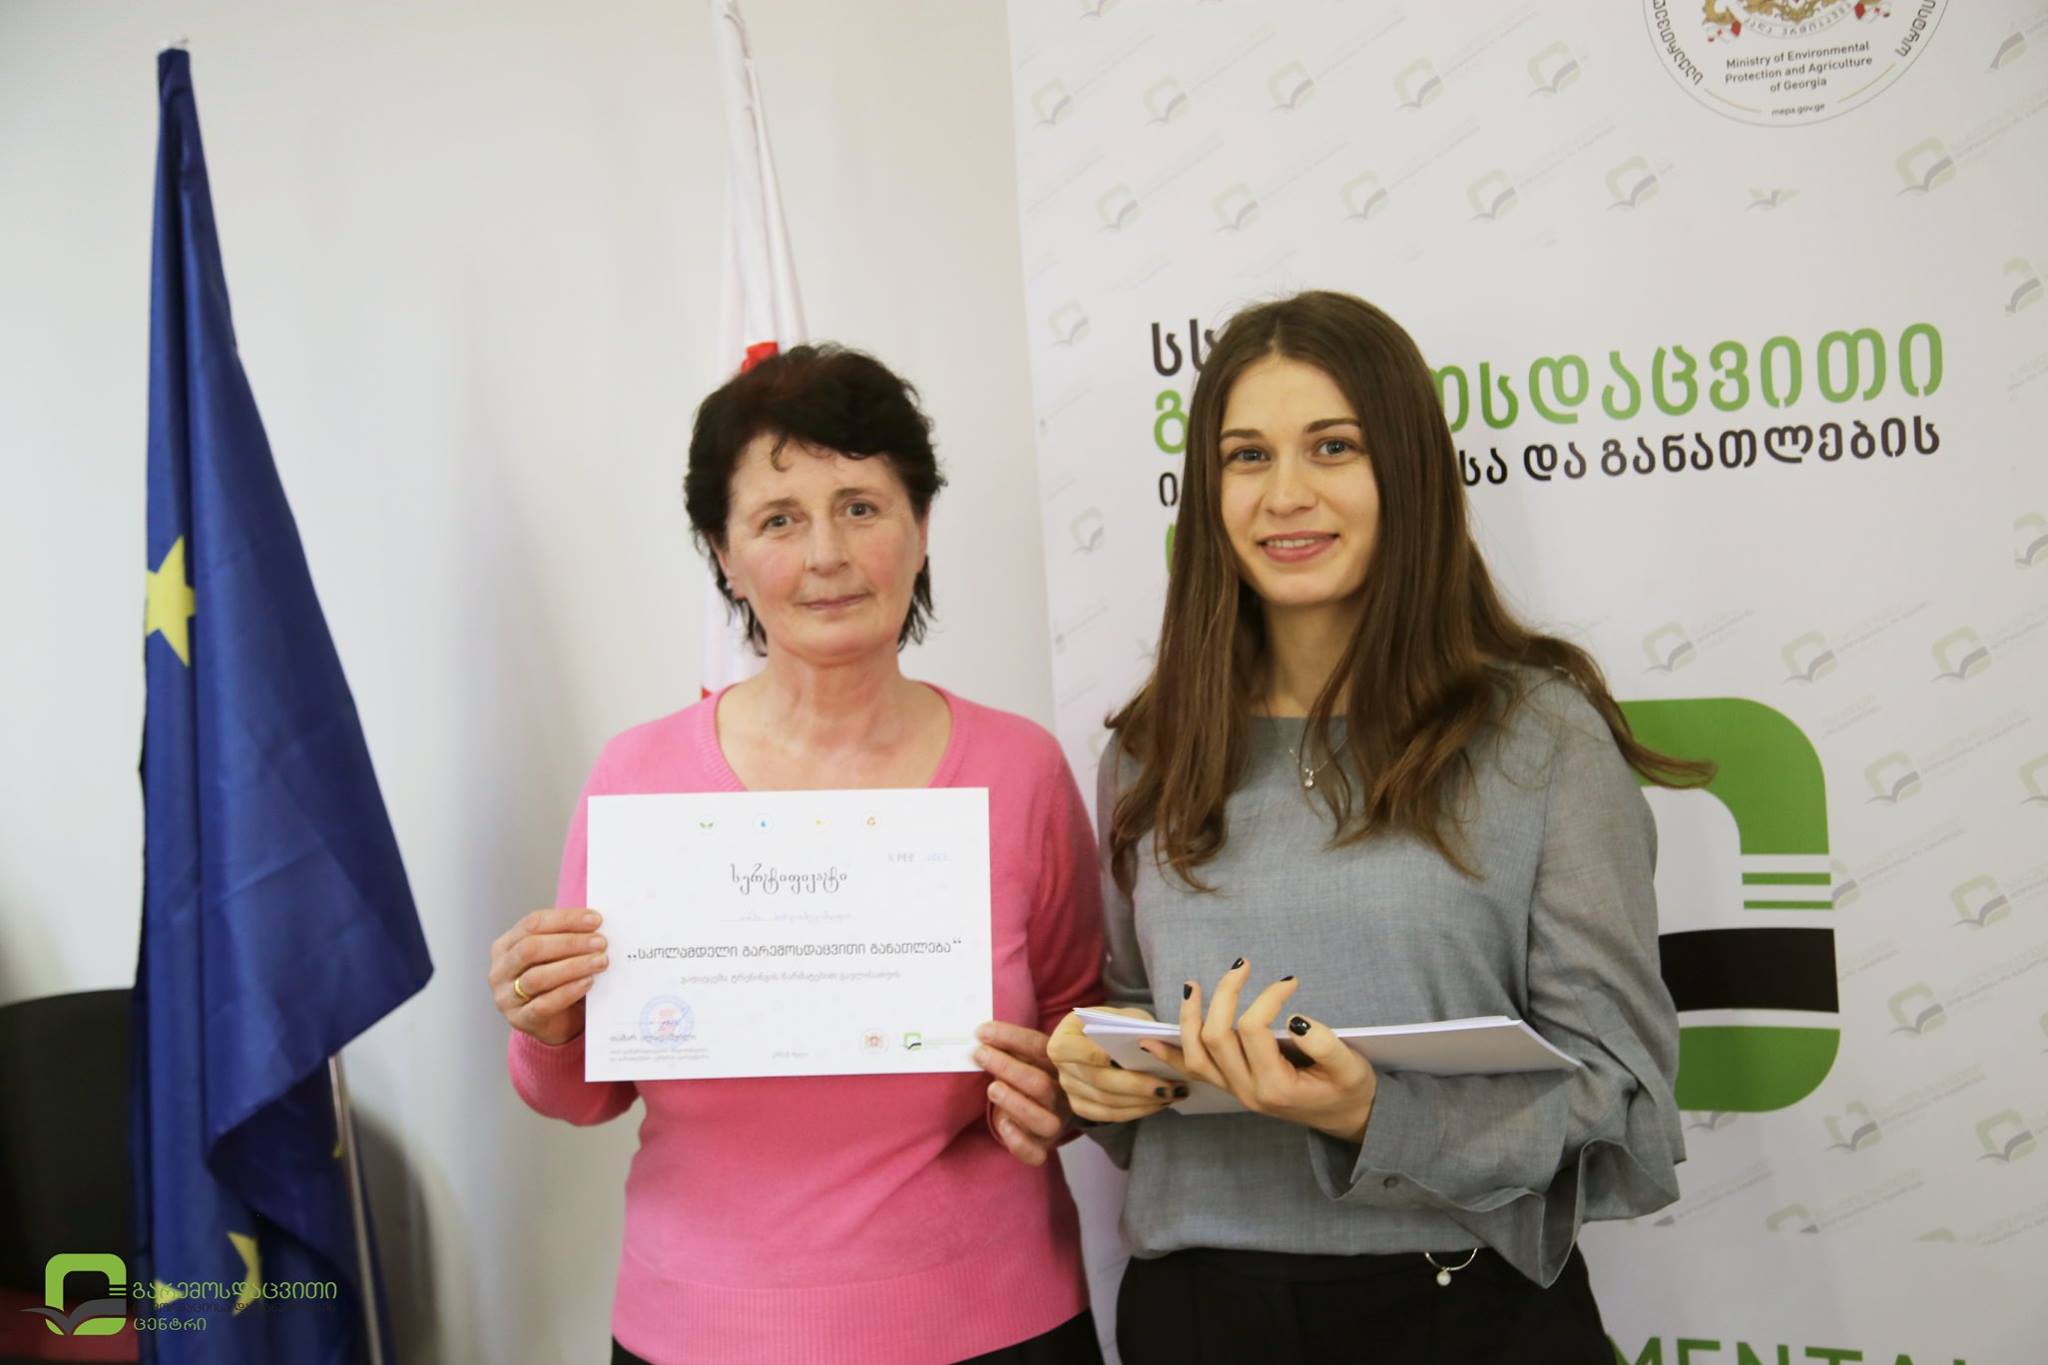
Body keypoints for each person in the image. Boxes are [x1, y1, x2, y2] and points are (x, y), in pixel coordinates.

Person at [1047, 291, 1697, 1364]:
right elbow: (1131, 1011)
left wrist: (1373, 1116)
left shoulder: (1539, 736)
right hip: (1199, 1315)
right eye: (1246, 456)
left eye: (1333, 447)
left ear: (1407, 468)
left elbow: (1619, 1095)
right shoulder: (1151, 749)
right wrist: (1100, 1072)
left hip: (1464, 1311)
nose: (1285, 494)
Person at [487, 345, 1105, 1365]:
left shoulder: (1021, 770)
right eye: (778, 519)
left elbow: (1081, 1031)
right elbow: (582, 1095)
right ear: (722, 553)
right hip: (698, 1331)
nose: (826, 553)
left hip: (996, 1323)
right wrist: (544, 1021)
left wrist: (1063, 1091)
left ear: (920, 527)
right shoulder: (637, 779)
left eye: (861, 506)